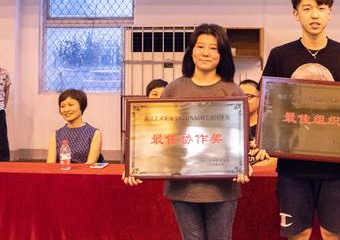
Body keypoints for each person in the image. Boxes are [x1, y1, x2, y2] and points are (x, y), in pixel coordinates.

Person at [262, 0, 340, 240]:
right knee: (298, 234)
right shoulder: (280, 55)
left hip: (337, 169)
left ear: (330, 13)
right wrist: (264, 141)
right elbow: (268, 107)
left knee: (332, 234)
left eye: (321, 8)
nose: (314, 15)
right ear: (296, 14)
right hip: (292, 168)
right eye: (307, 8)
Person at [123, 23, 251, 240]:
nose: (206, 53)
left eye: (213, 48)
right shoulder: (173, 89)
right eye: (200, 46)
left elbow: (240, 140)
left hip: (222, 190)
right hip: (183, 188)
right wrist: (132, 164)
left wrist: (242, 163)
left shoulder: (233, 92)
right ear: (191, 51)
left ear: (222, 55)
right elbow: (153, 134)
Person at [46, 89, 102, 164]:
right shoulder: (56, 135)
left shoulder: (94, 133)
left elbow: (90, 164)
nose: (66, 109)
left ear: (81, 106)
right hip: (62, 170)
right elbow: (50, 165)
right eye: (62, 106)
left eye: (70, 105)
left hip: (84, 171)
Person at [239, 79, 273, 167]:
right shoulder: (231, 127)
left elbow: (275, 159)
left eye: (249, 96)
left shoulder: (270, 128)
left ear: (261, 98)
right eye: (239, 96)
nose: (243, 99)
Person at [0, 67, 11, 162]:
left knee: (2, 136)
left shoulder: (5, 73)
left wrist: (4, 106)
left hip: (0, 109)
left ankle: (4, 160)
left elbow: (7, 91)